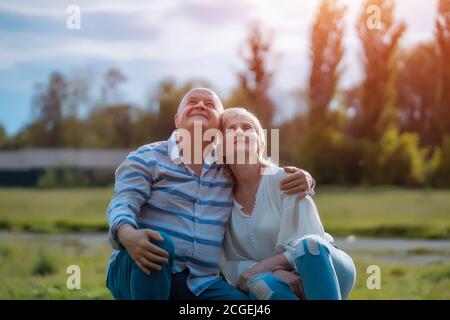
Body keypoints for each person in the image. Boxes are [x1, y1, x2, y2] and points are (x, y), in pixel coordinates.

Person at [106, 88, 314, 300]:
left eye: (210, 104)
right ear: (177, 120)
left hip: (200, 283)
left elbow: (259, 171)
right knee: (158, 243)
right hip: (139, 266)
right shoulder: (148, 157)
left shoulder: (226, 168)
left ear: (218, 128)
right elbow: (123, 201)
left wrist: (305, 178)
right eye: (192, 102)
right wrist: (127, 234)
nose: (200, 106)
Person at [220, 107, 356, 300]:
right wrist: (270, 272)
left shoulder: (286, 180)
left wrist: (265, 267)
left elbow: (310, 242)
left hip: (324, 265)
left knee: (309, 246)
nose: (240, 132)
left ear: (261, 143)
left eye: (247, 127)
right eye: (231, 129)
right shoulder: (219, 197)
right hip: (273, 277)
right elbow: (231, 263)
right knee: (261, 286)